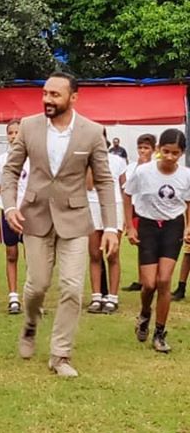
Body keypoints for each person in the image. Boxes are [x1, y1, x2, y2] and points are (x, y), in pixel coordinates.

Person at [2, 72, 118, 378]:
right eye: (45, 93)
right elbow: (11, 171)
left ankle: (60, 354)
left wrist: (110, 227)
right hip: (35, 216)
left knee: (71, 287)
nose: (47, 100)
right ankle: (29, 324)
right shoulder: (28, 126)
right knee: (37, 285)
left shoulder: (92, 132)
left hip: (75, 219)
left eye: (55, 95)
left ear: (73, 97)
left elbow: (105, 181)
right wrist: (11, 206)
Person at [124, 129, 190, 354]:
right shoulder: (143, 172)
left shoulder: (186, 175)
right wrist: (130, 226)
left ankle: (159, 333)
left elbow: (188, 202)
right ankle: (144, 314)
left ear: (182, 153)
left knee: (164, 281)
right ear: (159, 149)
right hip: (148, 225)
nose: (170, 157)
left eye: (176, 153)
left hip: (173, 226)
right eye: (166, 152)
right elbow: (127, 194)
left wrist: (189, 226)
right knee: (149, 283)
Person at [0, 119, 29, 315]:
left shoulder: (33, 159)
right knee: (11, 254)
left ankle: (32, 297)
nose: (13, 136)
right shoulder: (0, 161)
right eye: (10, 133)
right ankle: (13, 297)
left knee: (33, 257)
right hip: (8, 212)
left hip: (30, 214)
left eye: (17, 132)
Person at [85, 130, 128, 315]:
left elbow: (124, 187)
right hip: (92, 206)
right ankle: (96, 296)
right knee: (95, 254)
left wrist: (126, 218)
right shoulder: (84, 161)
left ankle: (112, 297)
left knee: (112, 254)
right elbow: (88, 185)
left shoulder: (117, 161)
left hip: (114, 205)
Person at [127, 134, 157, 293]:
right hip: (136, 208)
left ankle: (150, 279)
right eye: (140, 148)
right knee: (140, 245)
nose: (142, 151)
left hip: (151, 209)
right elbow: (129, 187)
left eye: (146, 148)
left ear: (153, 149)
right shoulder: (132, 166)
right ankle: (141, 279)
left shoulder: (157, 166)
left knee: (150, 245)